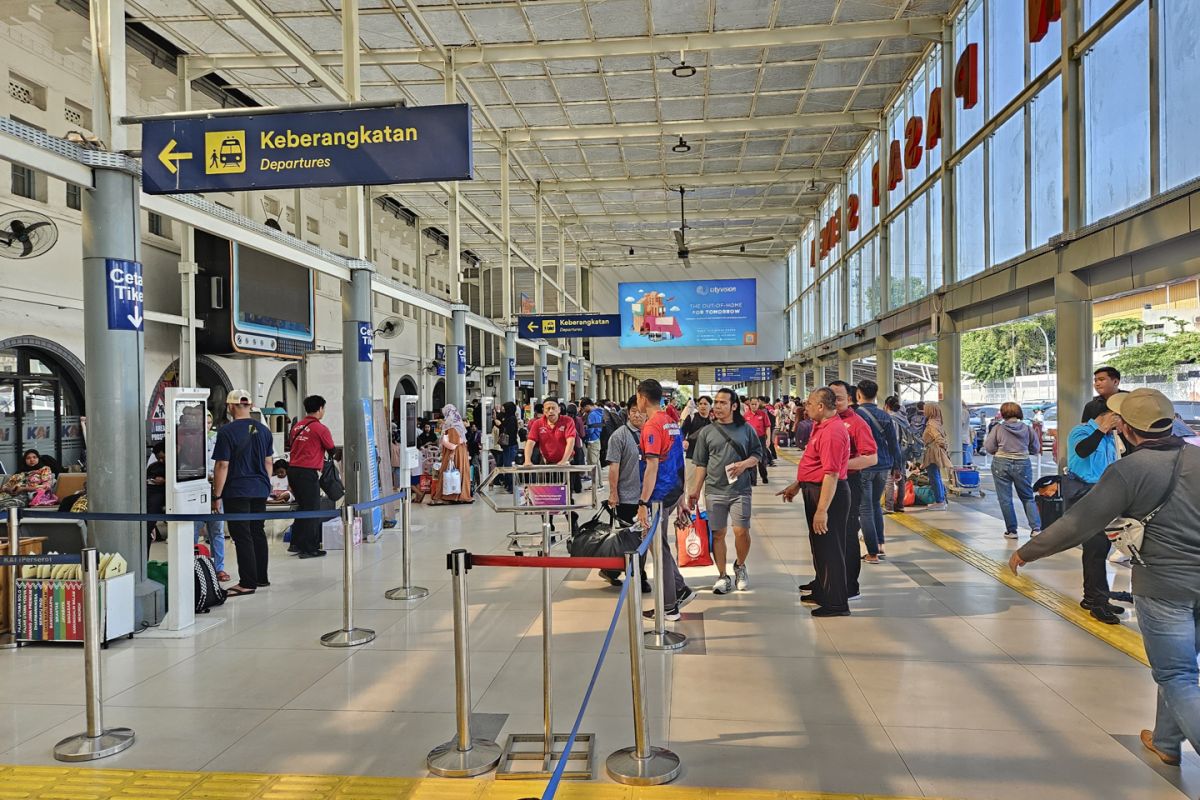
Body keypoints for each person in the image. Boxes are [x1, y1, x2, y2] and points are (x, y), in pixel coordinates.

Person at [1009, 389, 1200, 769]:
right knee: (1181, 666)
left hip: (1163, 585)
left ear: (1126, 429)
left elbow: (1080, 522)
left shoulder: (1129, 470)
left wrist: (1027, 551)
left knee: (1177, 673)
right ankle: (1166, 741)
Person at [778, 388, 852, 617]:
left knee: (831, 549)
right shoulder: (821, 427)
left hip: (828, 494)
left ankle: (837, 602)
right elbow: (815, 465)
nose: (805, 406)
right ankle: (823, 590)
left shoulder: (833, 432)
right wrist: (798, 484)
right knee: (820, 547)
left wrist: (822, 510)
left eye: (809, 403)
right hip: (815, 489)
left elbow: (831, 474)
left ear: (821, 406)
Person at [687, 388, 762, 594]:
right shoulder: (706, 432)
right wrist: (695, 491)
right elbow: (701, 464)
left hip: (740, 489)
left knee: (741, 531)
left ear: (734, 406)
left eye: (722, 403)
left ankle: (740, 565)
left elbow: (758, 453)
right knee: (718, 534)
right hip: (714, 490)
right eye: (716, 402)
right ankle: (722, 575)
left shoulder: (746, 429)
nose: (717, 406)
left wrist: (745, 464)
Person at [635, 379, 695, 621]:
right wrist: (681, 497)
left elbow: (651, 467)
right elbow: (679, 459)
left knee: (656, 547)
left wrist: (642, 503)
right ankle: (680, 589)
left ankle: (669, 605)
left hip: (658, 495)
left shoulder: (651, 426)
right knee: (660, 545)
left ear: (642, 397)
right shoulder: (671, 422)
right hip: (672, 491)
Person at [1063, 398, 1123, 623]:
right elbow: (1083, 450)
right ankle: (1097, 602)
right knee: (1096, 547)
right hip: (1085, 495)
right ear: (1106, 414)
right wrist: (1102, 429)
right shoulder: (1080, 431)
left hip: (1103, 493)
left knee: (1100, 548)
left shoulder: (1110, 437)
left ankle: (1096, 597)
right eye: (1117, 415)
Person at [212, 389, 274, 596]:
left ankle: (247, 582)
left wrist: (217, 495)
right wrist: (265, 485)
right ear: (250, 405)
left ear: (230, 407)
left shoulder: (226, 432)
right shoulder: (264, 431)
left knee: (242, 534)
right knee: (257, 531)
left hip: (237, 489)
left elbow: (222, 465)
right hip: (260, 488)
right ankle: (261, 577)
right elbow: (268, 461)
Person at [828, 381, 877, 596]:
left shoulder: (857, 423)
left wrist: (838, 466)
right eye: (830, 397)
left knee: (847, 533)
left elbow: (871, 457)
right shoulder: (824, 422)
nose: (834, 402)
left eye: (838, 398)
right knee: (828, 535)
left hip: (848, 484)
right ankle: (827, 580)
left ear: (851, 399)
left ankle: (850, 585)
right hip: (827, 484)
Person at [598, 397, 650, 590]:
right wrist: (613, 493)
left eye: (641, 411)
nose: (637, 414)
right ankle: (638, 575)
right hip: (627, 497)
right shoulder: (619, 436)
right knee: (631, 538)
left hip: (648, 496)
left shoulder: (651, 433)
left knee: (643, 537)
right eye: (634, 410)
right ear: (628, 412)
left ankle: (615, 570)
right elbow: (614, 468)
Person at [855, 380, 902, 564]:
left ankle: (872, 553)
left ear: (858, 394)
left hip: (865, 466)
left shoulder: (857, 415)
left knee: (865, 508)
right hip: (883, 466)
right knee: (875, 505)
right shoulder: (885, 416)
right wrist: (897, 466)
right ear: (876, 394)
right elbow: (893, 443)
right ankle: (880, 545)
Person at [983, 402, 1042, 540]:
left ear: (1003, 413)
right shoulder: (1027, 429)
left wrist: (998, 451)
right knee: (1027, 496)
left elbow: (989, 446)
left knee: (1005, 499)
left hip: (1001, 463)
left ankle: (1012, 531)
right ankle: (1036, 529)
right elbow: (1035, 447)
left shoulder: (998, 428)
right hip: (1023, 463)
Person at [288, 395, 335, 559]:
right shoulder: (320, 428)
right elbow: (331, 449)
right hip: (307, 473)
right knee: (312, 509)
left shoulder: (296, 426)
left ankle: (296, 543)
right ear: (320, 408)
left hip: (292, 471)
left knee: (302, 507)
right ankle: (309, 548)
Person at [194, 411, 228, 581]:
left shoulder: (218, 438)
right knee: (193, 529)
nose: (206, 426)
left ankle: (219, 567)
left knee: (217, 531)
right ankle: (193, 563)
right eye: (203, 422)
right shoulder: (190, 440)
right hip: (196, 487)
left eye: (209, 422)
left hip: (215, 487)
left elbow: (222, 464)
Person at [432, 404, 473, 504]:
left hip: (454, 452)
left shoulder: (451, 425)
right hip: (461, 451)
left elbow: (453, 441)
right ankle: (461, 494)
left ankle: (452, 496)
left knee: (449, 471)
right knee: (460, 471)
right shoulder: (458, 423)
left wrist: (452, 453)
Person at [883, 396, 912, 514]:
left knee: (890, 477)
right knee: (901, 476)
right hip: (904, 450)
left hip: (894, 450)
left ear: (887, 406)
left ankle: (889, 506)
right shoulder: (903, 418)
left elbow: (893, 439)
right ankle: (900, 505)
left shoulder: (891, 419)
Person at [745, 397, 772, 485]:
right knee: (751, 459)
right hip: (750, 440)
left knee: (762, 459)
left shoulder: (763, 414)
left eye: (755, 404)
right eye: (752, 404)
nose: (753, 406)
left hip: (761, 439)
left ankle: (764, 476)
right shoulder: (746, 416)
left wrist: (768, 439)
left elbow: (768, 427)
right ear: (749, 404)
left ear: (758, 404)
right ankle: (753, 480)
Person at [145, 442, 167, 554]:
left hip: (161, 498)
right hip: (151, 496)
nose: (161, 461)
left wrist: (165, 481)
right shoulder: (154, 467)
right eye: (159, 459)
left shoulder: (180, 466)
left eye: (163, 458)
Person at [582, 397, 604, 488]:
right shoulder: (599, 412)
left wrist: (584, 430)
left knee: (593, 464)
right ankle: (598, 483)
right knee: (597, 463)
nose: (583, 410)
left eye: (584, 408)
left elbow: (590, 430)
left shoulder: (591, 415)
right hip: (597, 439)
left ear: (587, 406)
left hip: (592, 440)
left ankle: (597, 485)